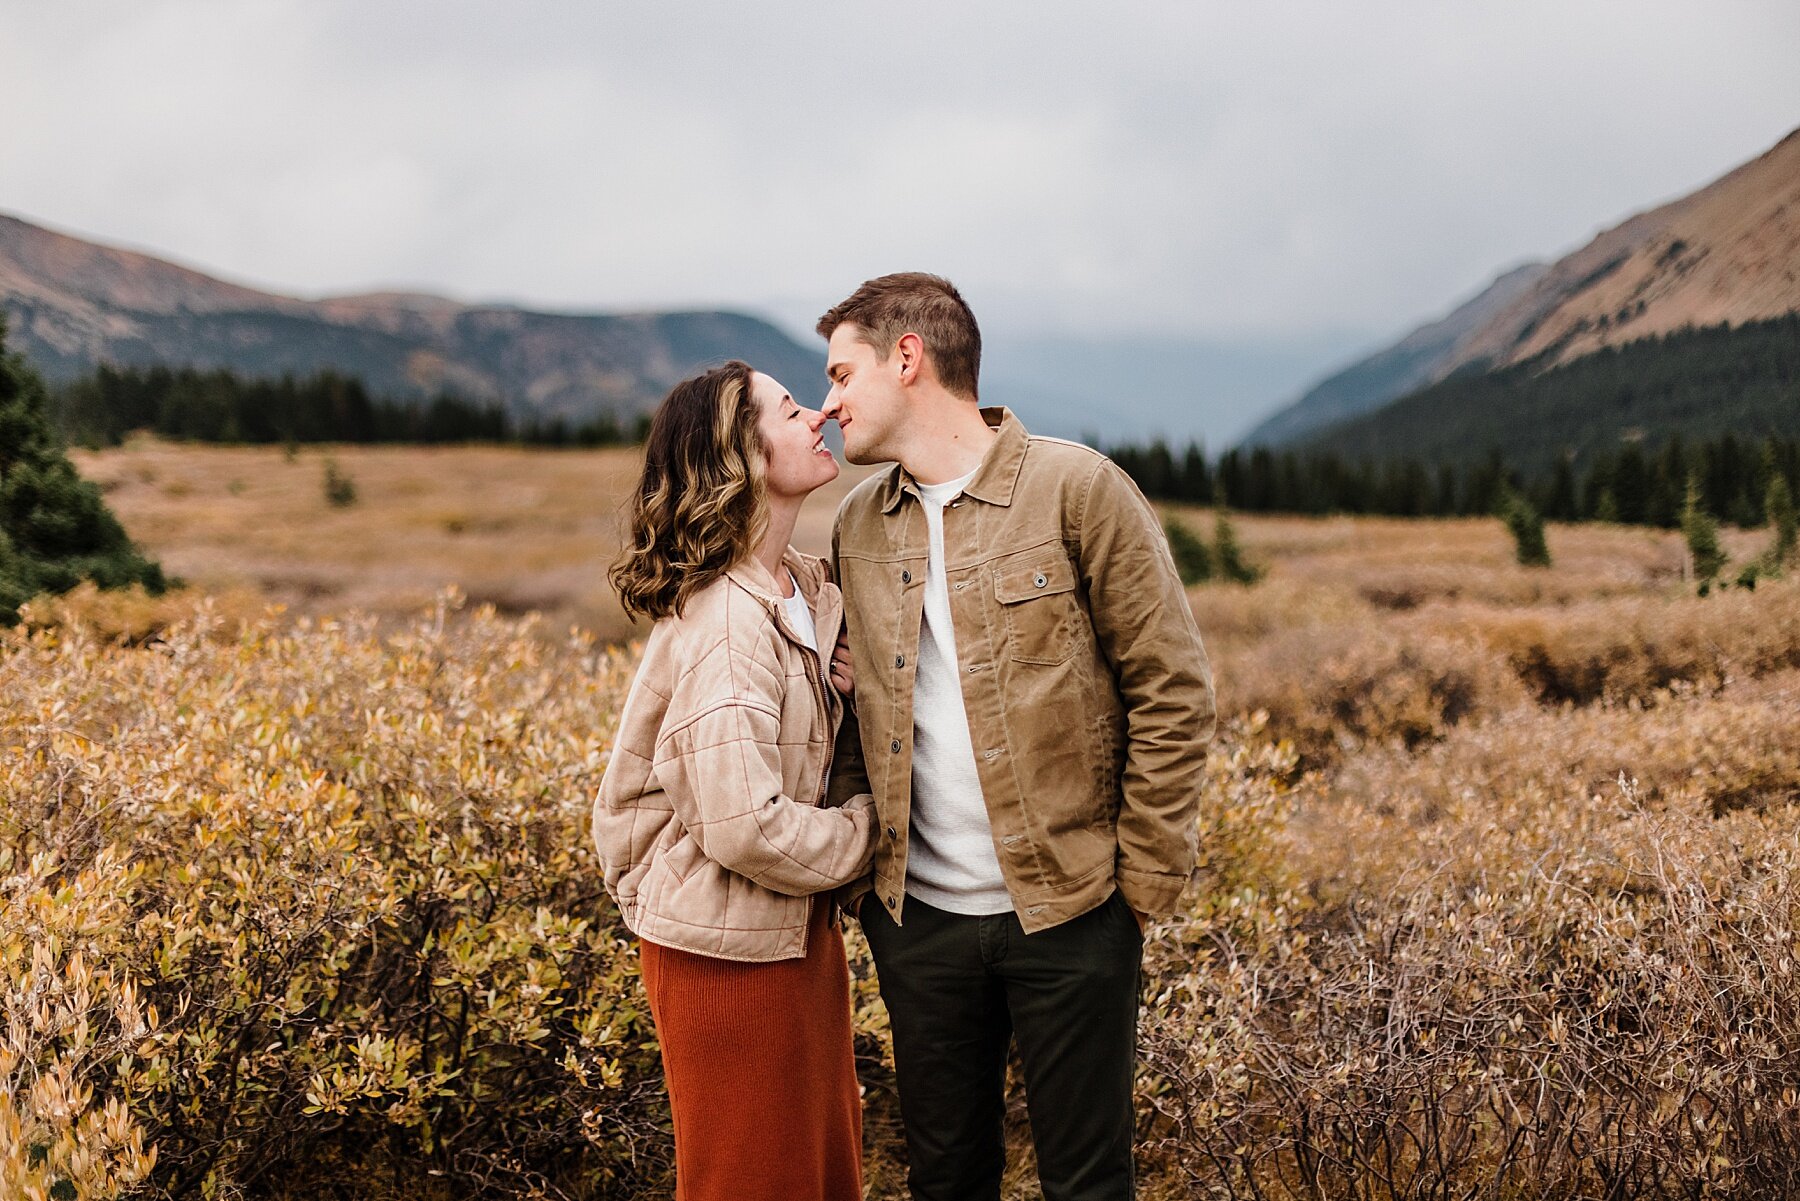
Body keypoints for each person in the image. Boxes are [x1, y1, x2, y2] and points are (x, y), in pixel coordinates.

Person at [818, 274, 1216, 1201]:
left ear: (907, 358)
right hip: (918, 927)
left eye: (842, 373)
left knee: (1087, 1185)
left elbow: (1173, 688)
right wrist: (864, 883)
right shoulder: (856, 527)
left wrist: (1138, 888)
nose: (831, 402)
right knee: (948, 1181)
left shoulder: (1078, 491)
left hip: (1074, 916)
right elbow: (850, 709)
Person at [593, 360, 875, 1201]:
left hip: (786, 931)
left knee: (817, 1174)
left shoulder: (800, 588)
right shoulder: (725, 623)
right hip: (724, 958)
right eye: (791, 411)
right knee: (752, 1182)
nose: (818, 413)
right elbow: (742, 823)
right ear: (744, 457)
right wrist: (875, 831)